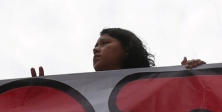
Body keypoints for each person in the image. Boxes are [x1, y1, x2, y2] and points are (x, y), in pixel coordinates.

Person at [30, 28, 203, 76]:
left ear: (127, 49)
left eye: (104, 43)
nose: (95, 49)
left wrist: (189, 77)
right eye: (96, 45)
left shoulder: (156, 85)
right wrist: (45, 98)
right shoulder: (81, 96)